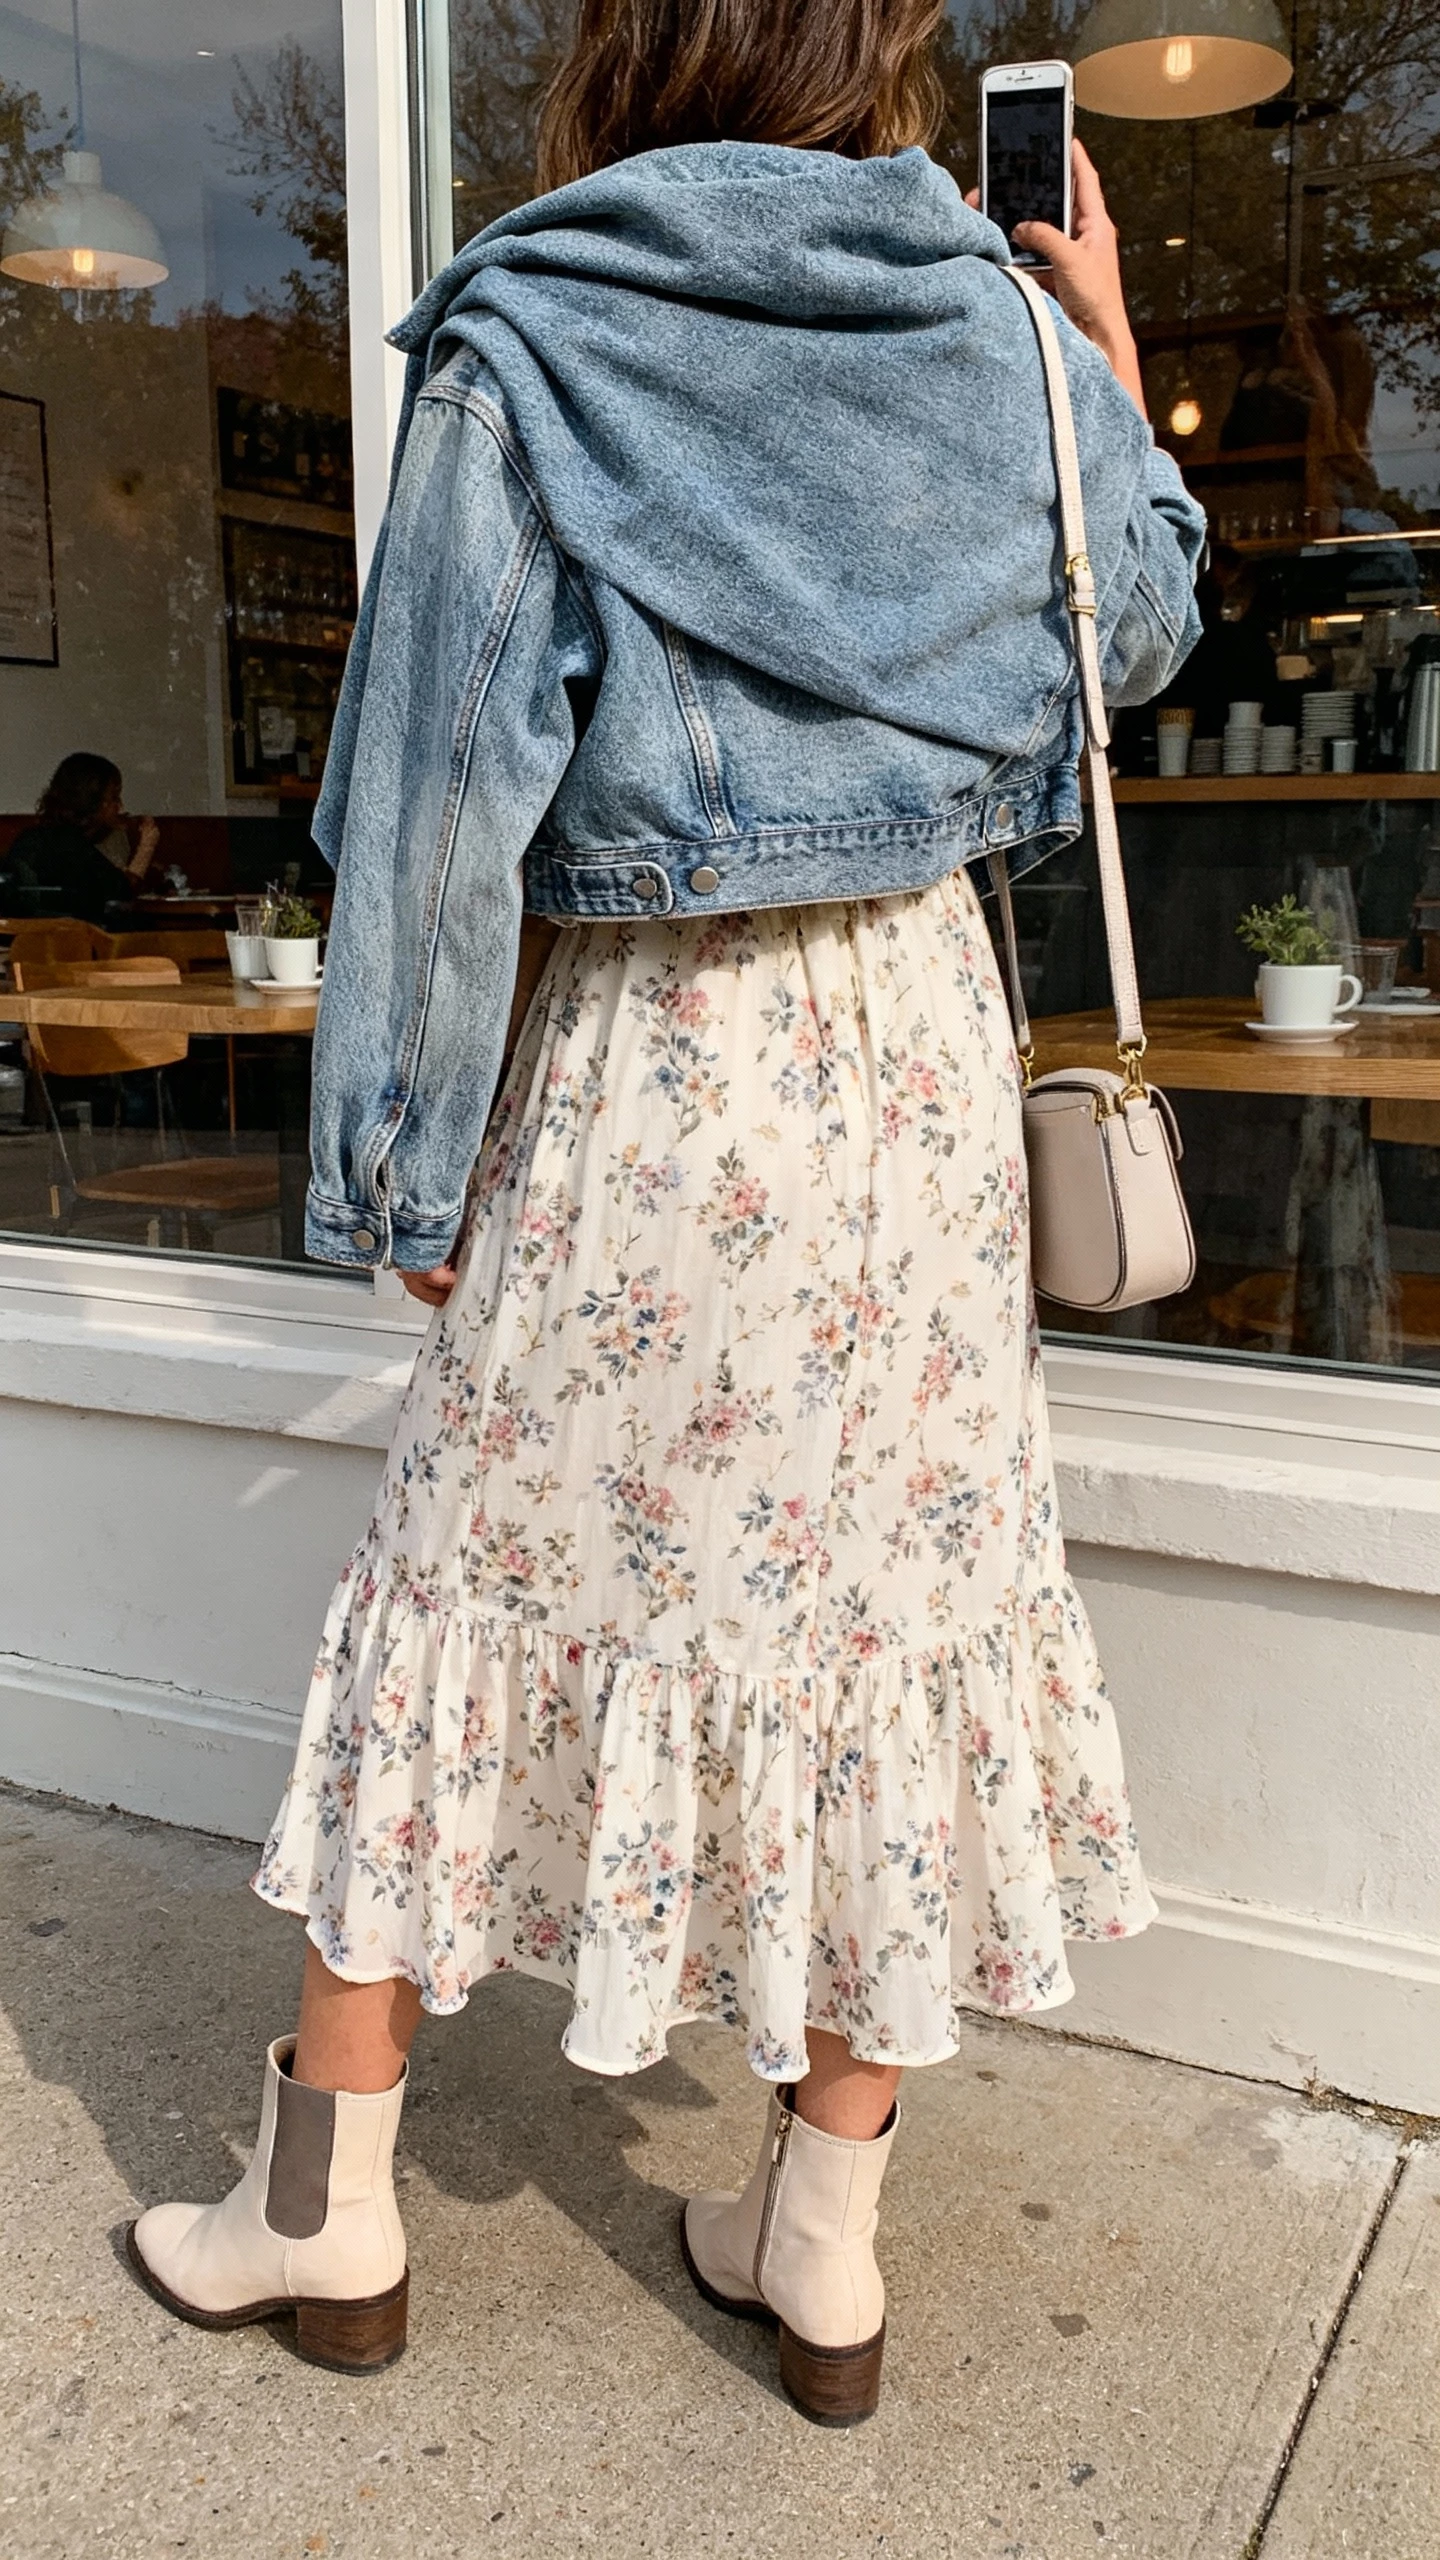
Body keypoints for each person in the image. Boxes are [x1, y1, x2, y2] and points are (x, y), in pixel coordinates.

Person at [127, 0, 1204, 2424]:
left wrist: (393, 1154)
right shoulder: (992, 333)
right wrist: (1099, 350)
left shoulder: (534, 328)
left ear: (620, 56)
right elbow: (1126, 643)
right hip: (904, 1073)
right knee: (883, 1613)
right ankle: (814, 2246)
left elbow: (430, 784)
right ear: (878, 62)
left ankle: (328, 2201)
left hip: (644, 1063)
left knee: (461, 1580)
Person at [2, 754, 159, 927]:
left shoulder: (31, 837)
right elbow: (121, 893)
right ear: (92, 801)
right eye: (114, 797)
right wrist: (146, 847)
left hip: (22, 945)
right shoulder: (72, 847)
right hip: (70, 946)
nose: (120, 807)